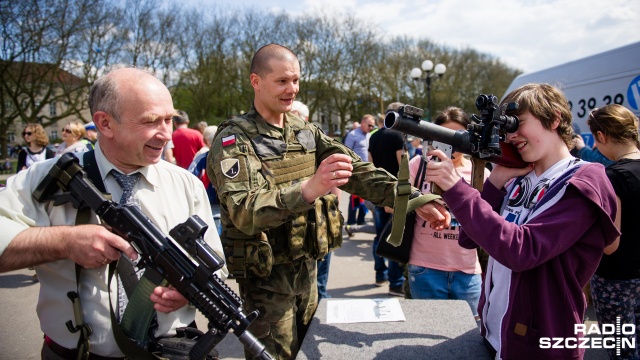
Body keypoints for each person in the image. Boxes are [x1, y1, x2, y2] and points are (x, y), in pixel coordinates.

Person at [206, 43, 449, 360]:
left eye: (295, 80)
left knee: (308, 349)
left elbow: (358, 171)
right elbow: (244, 210)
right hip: (267, 279)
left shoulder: (303, 129)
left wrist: (413, 199)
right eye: (281, 81)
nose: (291, 89)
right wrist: (309, 188)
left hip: (307, 268)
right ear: (256, 81)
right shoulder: (234, 139)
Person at [0, 67, 227, 359]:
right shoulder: (46, 178)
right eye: (150, 121)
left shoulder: (185, 184)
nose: (166, 134)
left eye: (169, 119)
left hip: (173, 350)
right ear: (105, 124)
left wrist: (191, 291)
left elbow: (215, 265)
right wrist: (63, 242)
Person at [425, 83, 619, 359]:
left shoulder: (585, 181)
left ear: (554, 118)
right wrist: (495, 181)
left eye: (517, 123)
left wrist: (456, 187)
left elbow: (523, 250)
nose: (511, 135)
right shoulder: (519, 177)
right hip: (496, 334)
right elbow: (470, 238)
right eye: (506, 127)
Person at [407, 107, 487, 320]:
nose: (451, 143)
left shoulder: (479, 171)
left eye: (458, 136)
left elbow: (492, 218)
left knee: (469, 340)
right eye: (444, 136)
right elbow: (392, 201)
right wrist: (422, 202)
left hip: (468, 271)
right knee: (428, 332)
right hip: (425, 269)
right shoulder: (419, 165)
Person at [585, 104, 640, 359]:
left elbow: (611, 244)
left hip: (615, 280)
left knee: (621, 350)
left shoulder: (613, 176)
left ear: (602, 136)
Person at [292, 99, 335, 301]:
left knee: (319, 279)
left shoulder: (319, 143)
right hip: (293, 225)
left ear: (306, 120)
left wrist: (333, 216)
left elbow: (336, 183)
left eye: (295, 116)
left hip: (319, 221)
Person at [368, 102, 406, 295]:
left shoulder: (374, 137)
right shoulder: (397, 136)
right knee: (394, 237)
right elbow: (403, 167)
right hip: (394, 194)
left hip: (378, 191)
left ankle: (379, 274)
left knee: (379, 234)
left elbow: (370, 165)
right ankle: (395, 282)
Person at [343, 114, 376, 234]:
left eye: (373, 125)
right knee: (355, 197)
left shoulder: (369, 136)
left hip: (367, 172)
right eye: (369, 125)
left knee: (366, 197)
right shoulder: (352, 135)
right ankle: (351, 222)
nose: (371, 127)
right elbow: (346, 152)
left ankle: (361, 220)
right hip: (356, 172)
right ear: (362, 123)